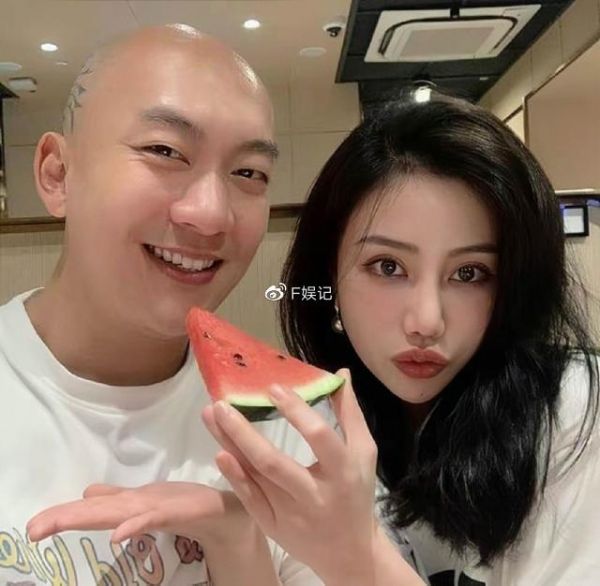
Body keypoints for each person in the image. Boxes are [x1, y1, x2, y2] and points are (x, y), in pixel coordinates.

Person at [202, 93, 600, 585]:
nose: (426, 321)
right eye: (388, 267)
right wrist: (233, 538)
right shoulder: (319, 429)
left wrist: (356, 555)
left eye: (470, 273)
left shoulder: (574, 411)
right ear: (329, 274)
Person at [2, 24, 324, 585]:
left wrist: (237, 540)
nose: (211, 214)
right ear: (58, 174)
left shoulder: (291, 427)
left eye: (249, 172)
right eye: (165, 151)